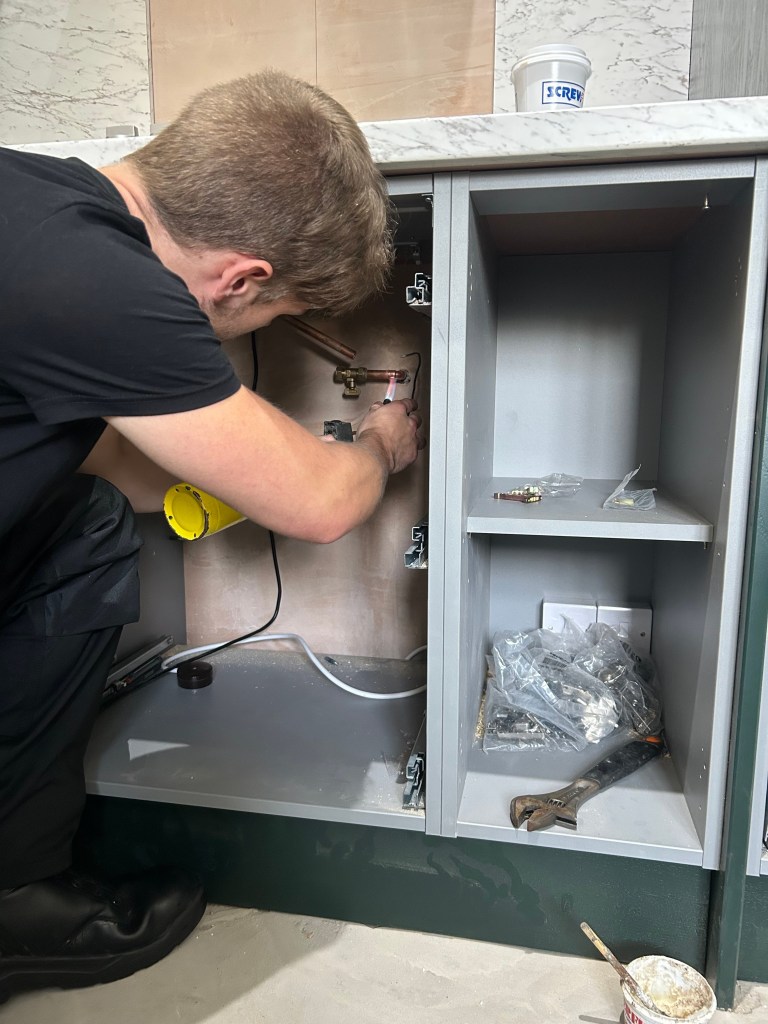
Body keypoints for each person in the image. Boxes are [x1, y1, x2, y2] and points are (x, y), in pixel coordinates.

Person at [0, 69, 424, 1000]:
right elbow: (321, 502)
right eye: (276, 315)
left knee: (89, 525)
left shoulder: (31, 200)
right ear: (242, 278)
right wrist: (380, 447)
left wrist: (236, 476)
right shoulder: (104, 286)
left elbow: (94, 464)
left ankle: (17, 887)